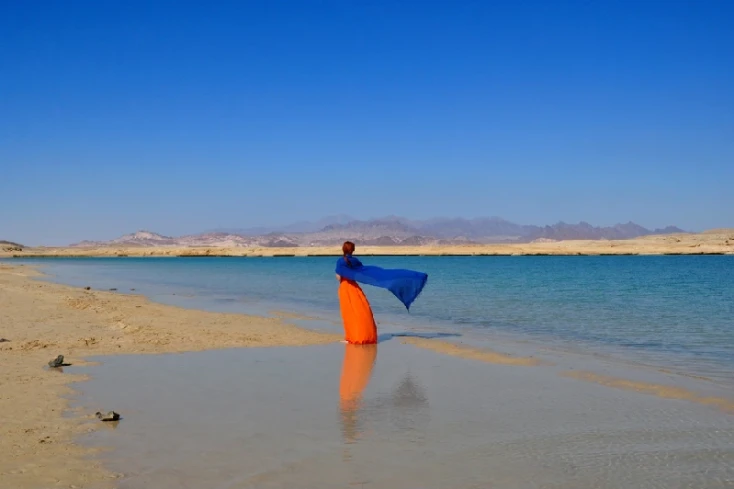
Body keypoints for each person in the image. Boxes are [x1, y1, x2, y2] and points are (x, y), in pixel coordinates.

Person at [336, 241, 378, 344]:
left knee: (348, 313)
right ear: (353, 250)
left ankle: (351, 337)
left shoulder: (340, 261)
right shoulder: (356, 261)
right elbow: (361, 273)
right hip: (354, 287)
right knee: (361, 310)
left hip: (345, 288)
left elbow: (338, 277)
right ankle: (366, 335)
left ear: (343, 249)